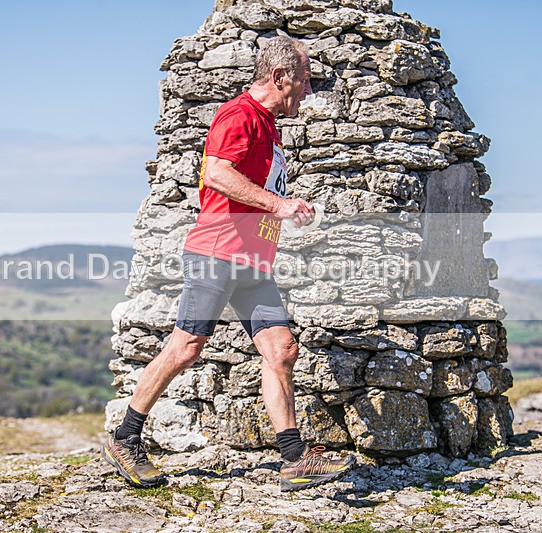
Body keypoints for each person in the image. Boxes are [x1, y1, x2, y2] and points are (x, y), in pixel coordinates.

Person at [102, 37, 355, 492]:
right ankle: (126, 438)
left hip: (253, 262)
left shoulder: (269, 124)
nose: (309, 92)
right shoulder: (239, 114)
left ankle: (293, 458)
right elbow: (216, 173)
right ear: (279, 79)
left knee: (282, 349)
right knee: (186, 348)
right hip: (217, 253)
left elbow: (252, 188)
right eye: (304, 81)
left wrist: (285, 212)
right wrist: (278, 206)